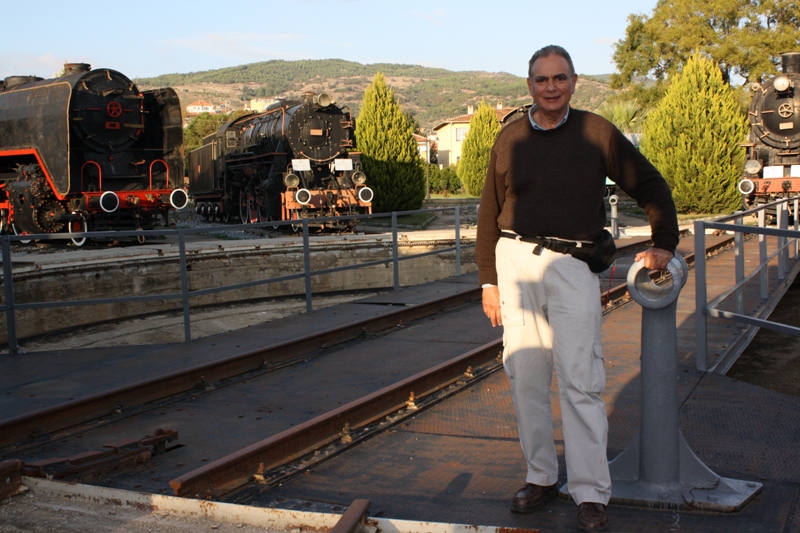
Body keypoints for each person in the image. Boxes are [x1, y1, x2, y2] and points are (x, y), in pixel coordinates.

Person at [476, 45, 679, 532]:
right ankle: (541, 476)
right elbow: (488, 213)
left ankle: (590, 491)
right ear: (529, 85)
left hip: (573, 264)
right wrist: (488, 281)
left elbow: (651, 185)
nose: (551, 87)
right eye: (542, 79)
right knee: (525, 376)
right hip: (516, 261)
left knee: (581, 379)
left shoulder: (597, 133)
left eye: (560, 79)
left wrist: (665, 244)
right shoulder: (508, 138)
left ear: (573, 82)